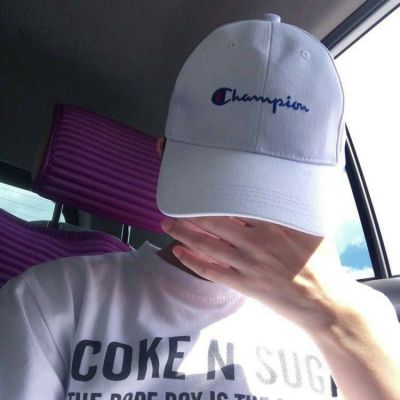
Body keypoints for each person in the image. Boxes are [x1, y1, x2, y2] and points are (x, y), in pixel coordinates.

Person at [0, 13, 400, 400]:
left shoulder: (366, 320)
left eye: (279, 195)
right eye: (220, 183)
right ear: (163, 156)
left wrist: (333, 317)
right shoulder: (48, 299)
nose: (244, 214)